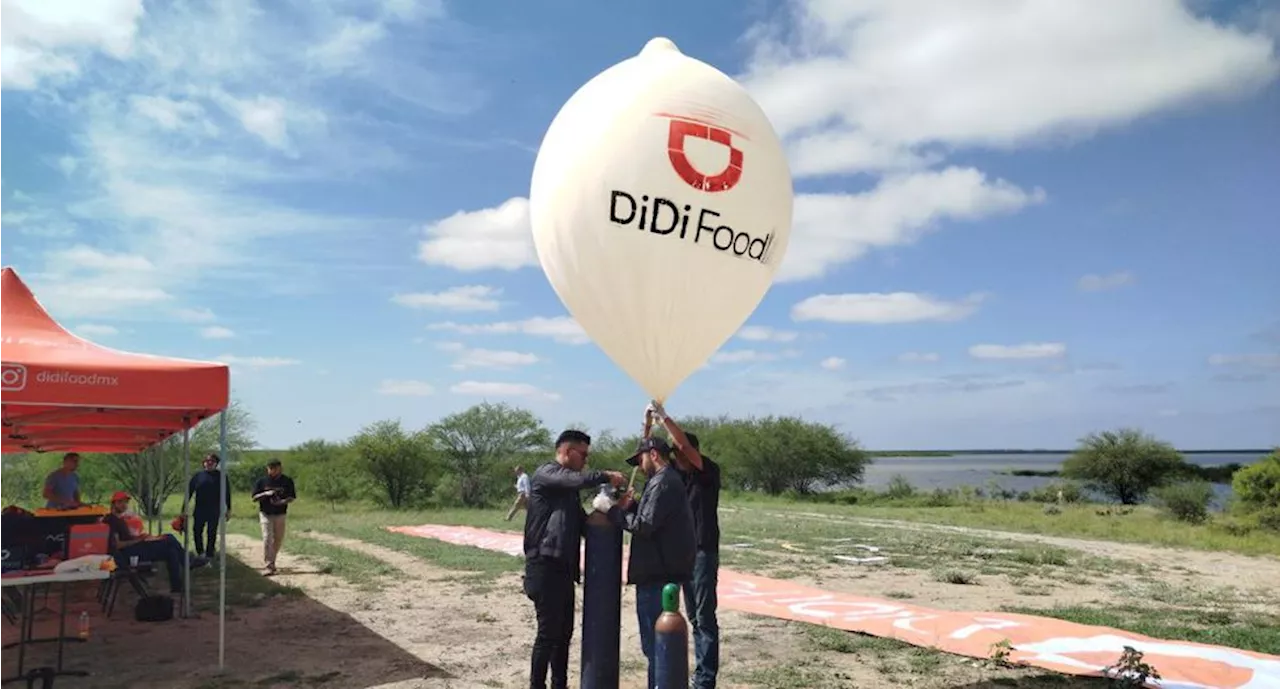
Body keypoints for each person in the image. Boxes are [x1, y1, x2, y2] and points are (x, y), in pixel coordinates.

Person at [523, 430, 626, 689]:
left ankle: (560, 684)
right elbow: (576, 480)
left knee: (563, 635)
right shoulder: (546, 474)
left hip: (564, 569)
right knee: (548, 634)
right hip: (544, 565)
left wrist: (611, 506)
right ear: (567, 452)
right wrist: (606, 476)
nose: (585, 462)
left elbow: (585, 524)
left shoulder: (567, 493)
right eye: (583, 455)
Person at [607, 434, 696, 689]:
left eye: (641, 459)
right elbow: (653, 519)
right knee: (657, 648)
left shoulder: (663, 482)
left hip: (657, 575)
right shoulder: (661, 481)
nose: (640, 465)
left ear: (653, 455)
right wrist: (633, 505)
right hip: (658, 572)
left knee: (657, 647)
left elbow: (645, 525)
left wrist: (612, 512)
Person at [647, 402, 721, 689]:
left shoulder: (708, 472)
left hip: (702, 553)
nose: (676, 456)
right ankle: (680, 672)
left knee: (702, 618)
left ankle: (704, 681)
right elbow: (649, 459)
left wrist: (663, 416)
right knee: (680, 614)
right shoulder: (676, 478)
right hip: (680, 555)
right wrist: (648, 425)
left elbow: (685, 448)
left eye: (679, 451)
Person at [103, 491, 206, 595]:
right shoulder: (112, 521)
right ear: (114, 504)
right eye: (120, 502)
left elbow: (125, 538)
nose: (124, 505)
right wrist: (138, 540)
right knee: (169, 539)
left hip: (135, 548)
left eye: (125, 502)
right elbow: (118, 545)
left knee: (171, 551)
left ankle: (176, 587)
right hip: (128, 554)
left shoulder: (118, 519)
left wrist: (140, 537)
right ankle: (187, 562)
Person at [251, 459, 296, 575]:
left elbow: (292, 497)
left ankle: (272, 560)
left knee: (278, 539)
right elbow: (254, 497)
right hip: (265, 513)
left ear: (280, 468)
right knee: (267, 537)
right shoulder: (262, 481)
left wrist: (282, 502)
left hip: (280, 513)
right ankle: (269, 565)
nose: (272, 470)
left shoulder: (287, 481)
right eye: (270, 468)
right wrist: (265, 494)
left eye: (274, 468)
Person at [186, 453, 231, 559]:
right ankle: (200, 552)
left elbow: (227, 493)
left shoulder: (222, 476)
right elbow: (189, 492)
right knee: (197, 531)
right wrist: (184, 508)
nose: (209, 463)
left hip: (214, 509)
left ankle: (209, 554)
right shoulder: (197, 476)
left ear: (216, 464)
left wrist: (228, 508)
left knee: (211, 533)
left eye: (212, 461)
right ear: (204, 463)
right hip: (199, 509)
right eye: (207, 461)